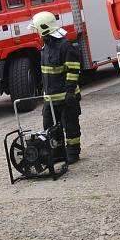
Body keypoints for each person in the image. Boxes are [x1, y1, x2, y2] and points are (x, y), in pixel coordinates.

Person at [29, 11, 82, 164]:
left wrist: (70, 92)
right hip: (50, 100)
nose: (36, 33)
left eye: (37, 29)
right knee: (51, 129)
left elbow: (73, 71)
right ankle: (58, 153)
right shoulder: (45, 48)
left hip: (66, 98)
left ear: (44, 29)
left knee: (70, 127)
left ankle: (73, 153)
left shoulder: (65, 46)